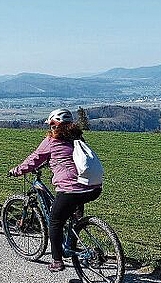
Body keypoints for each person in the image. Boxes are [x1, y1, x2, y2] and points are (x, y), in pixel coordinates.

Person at [8, 108, 102, 272]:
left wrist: (16, 170)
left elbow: (34, 159)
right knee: (74, 211)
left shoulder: (51, 142)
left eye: (51, 125)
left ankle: (57, 260)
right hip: (93, 188)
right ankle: (74, 238)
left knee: (55, 221)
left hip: (71, 190)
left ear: (54, 125)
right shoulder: (77, 137)